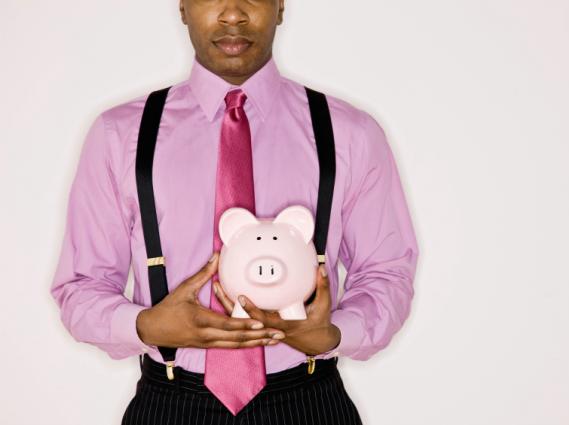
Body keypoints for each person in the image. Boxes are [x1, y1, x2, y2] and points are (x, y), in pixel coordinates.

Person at [50, 0, 419, 424]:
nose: (232, 14)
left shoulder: (349, 133)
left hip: (309, 403)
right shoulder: (120, 136)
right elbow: (80, 287)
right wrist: (147, 326)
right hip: (171, 406)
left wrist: (333, 333)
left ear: (281, 5)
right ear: (183, 6)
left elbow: (388, 271)